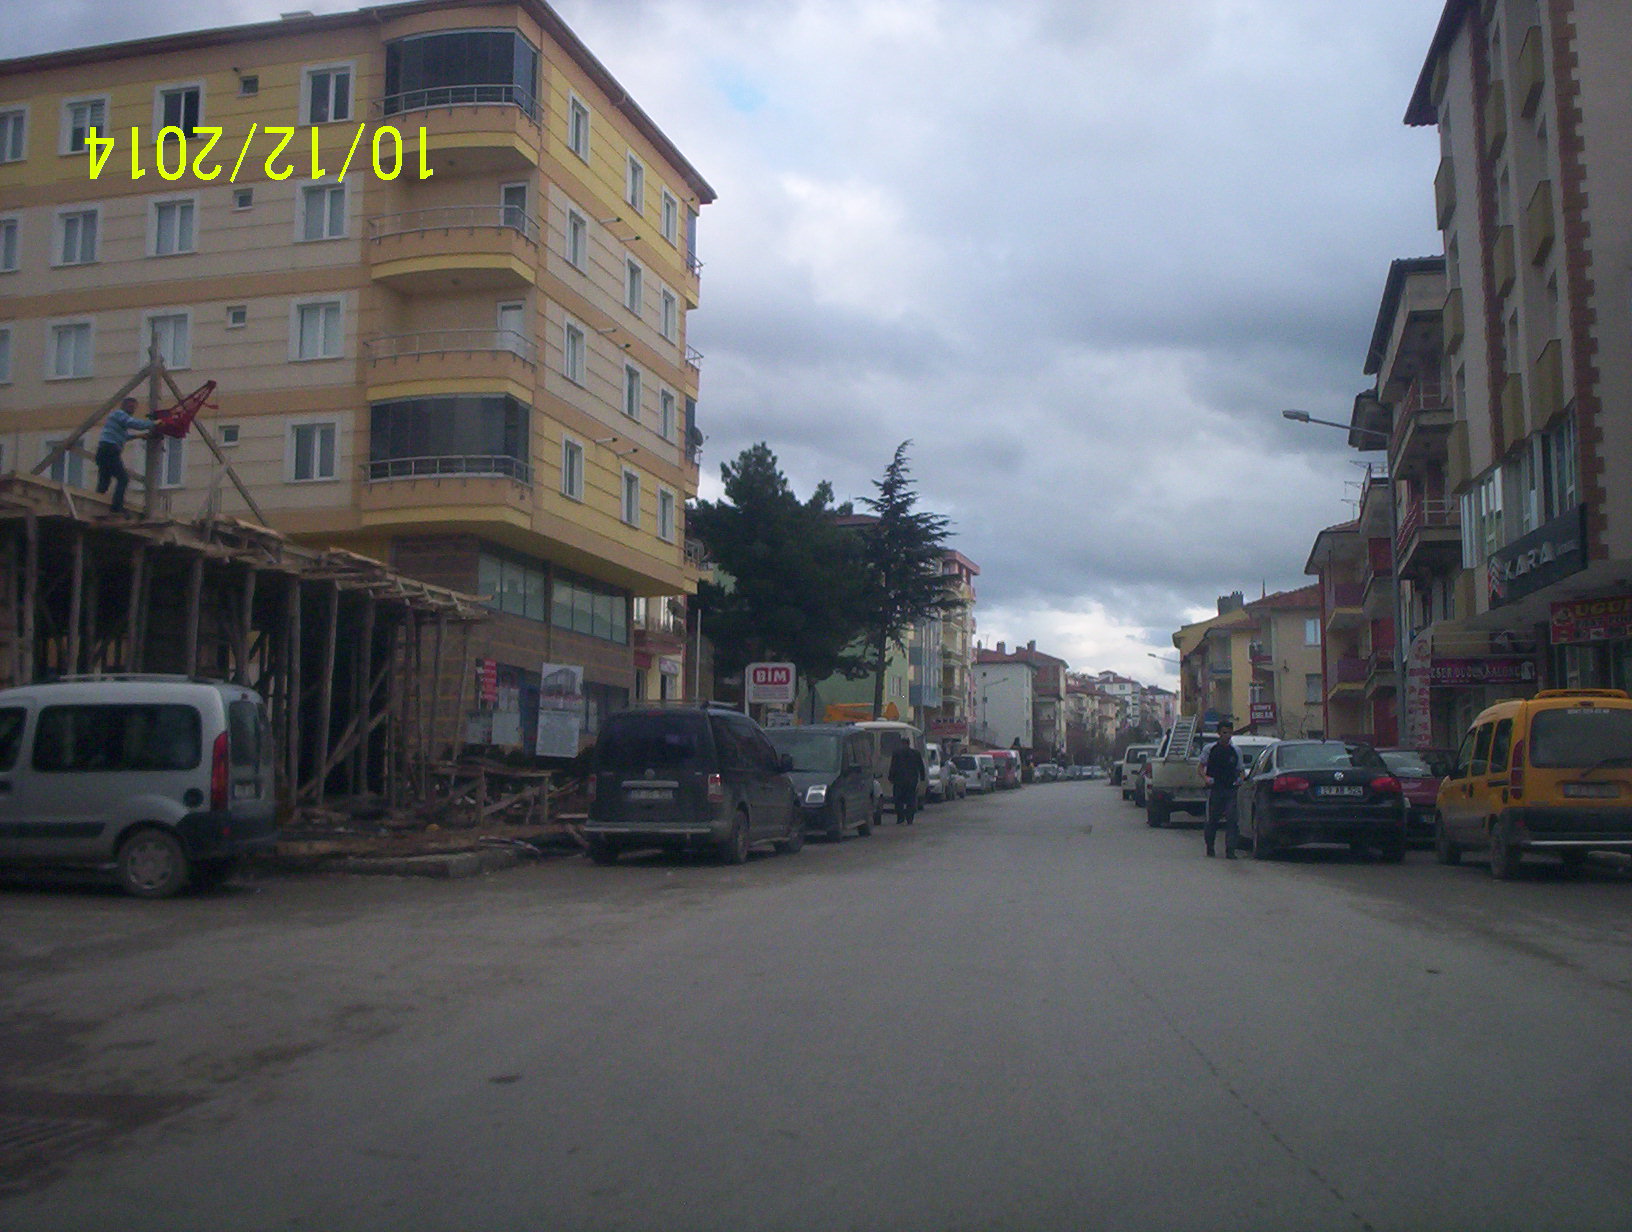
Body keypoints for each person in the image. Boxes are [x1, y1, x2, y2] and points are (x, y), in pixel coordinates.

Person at [95, 397, 155, 515]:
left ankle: (96, 505)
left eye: (134, 407)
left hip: (103, 450)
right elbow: (133, 423)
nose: (132, 410)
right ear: (124, 406)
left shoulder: (117, 420)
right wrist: (153, 423)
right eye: (131, 407)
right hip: (110, 450)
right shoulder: (119, 414)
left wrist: (139, 436)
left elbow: (123, 436)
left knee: (104, 481)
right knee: (123, 478)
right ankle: (116, 507)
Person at [1199, 720, 1245, 859]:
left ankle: (1230, 850)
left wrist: (1240, 779)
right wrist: (1206, 778)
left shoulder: (1236, 751)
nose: (1227, 736)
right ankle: (1210, 847)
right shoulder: (1210, 749)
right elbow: (1200, 768)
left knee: (1232, 820)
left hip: (1230, 789)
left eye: (1230, 733)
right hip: (1215, 789)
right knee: (1213, 819)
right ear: (1219, 733)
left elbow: (1241, 770)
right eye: (1224, 733)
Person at [887, 742, 925, 825]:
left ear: (902, 744)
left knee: (898, 799)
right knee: (910, 799)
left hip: (899, 781)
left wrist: (891, 777)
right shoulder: (915, 753)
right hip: (911, 781)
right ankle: (909, 818)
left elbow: (893, 766)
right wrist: (922, 778)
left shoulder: (896, 753)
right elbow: (921, 766)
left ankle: (900, 818)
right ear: (909, 744)